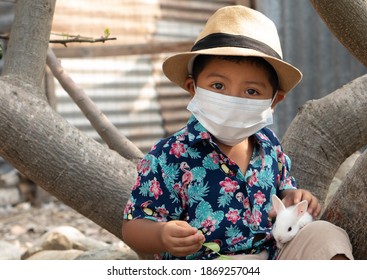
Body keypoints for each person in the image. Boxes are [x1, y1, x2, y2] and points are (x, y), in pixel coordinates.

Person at [122, 5, 353, 260]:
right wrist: (162, 235)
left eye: (251, 91)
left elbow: (283, 191)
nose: (232, 99)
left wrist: (293, 198)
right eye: (218, 85)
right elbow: (134, 225)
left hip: (272, 258)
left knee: (327, 236)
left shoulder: (270, 146)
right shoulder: (168, 155)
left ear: (274, 101)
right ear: (193, 88)